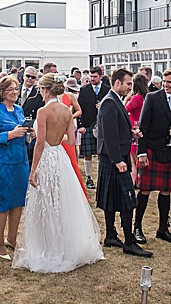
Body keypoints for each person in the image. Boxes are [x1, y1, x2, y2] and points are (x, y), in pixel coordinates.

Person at [13, 74, 104, 272]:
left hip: (46, 156)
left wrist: (33, 170)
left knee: (46, 201)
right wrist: (57, 138)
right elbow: (71, 140)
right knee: (62, 201)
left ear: (45, 90)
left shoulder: (44, 111)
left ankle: (49, 248)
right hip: (60, 156)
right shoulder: (66, 110)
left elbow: (39, 144)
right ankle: (66, 246)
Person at [96, 68, 151, 258]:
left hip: (113, 156)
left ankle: (111, 235)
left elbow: (116, 129)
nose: (131, 88)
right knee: (128, 201)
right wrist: (118, 160)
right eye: (128, 84)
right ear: (117, 82)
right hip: (114, 158)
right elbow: (109, 135)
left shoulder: (114, 100)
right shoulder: (110, 102)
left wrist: (130, 133)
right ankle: (129, 242)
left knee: (112, 198)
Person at [134, 68, 171, 247]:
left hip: (170, 151)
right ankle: (137, 228)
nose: (165, 85)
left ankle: (162, 229)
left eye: (169, 82)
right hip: (151, 149)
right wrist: (141, 153)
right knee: (144, 189)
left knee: (166, 191)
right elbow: (143, 127)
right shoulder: (152, 98)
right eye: (164, 82)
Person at [0, 76, 28, 260]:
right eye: (10, 89)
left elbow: (22, 129)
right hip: (2, 161)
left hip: (20, 159)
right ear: (1, 92)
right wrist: (10, 134)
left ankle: (12, 238)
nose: (14, 92)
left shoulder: (19, 110)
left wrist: (28, 132)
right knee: (2, 202)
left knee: (18, 201)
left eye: (16, 89)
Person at [77, 66, 110, 189]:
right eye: (91, 76)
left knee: (103, 152)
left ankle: (102, 177)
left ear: (101, 76)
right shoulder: (84, 90)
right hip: (88, 123)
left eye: (95, 76)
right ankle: (89, 178)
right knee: (88, 153)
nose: (92, 79)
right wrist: (81, 125)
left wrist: (103, 106)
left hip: (103, 123)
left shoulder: (107, 89)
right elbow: (79, 108)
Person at [124, 72, 148, 186]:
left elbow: (124, 110)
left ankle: (133, 181)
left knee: (133, 159)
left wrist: (127, 98)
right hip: (143, 127)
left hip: (134, 127)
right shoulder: (146, 97)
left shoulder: (136, 98)